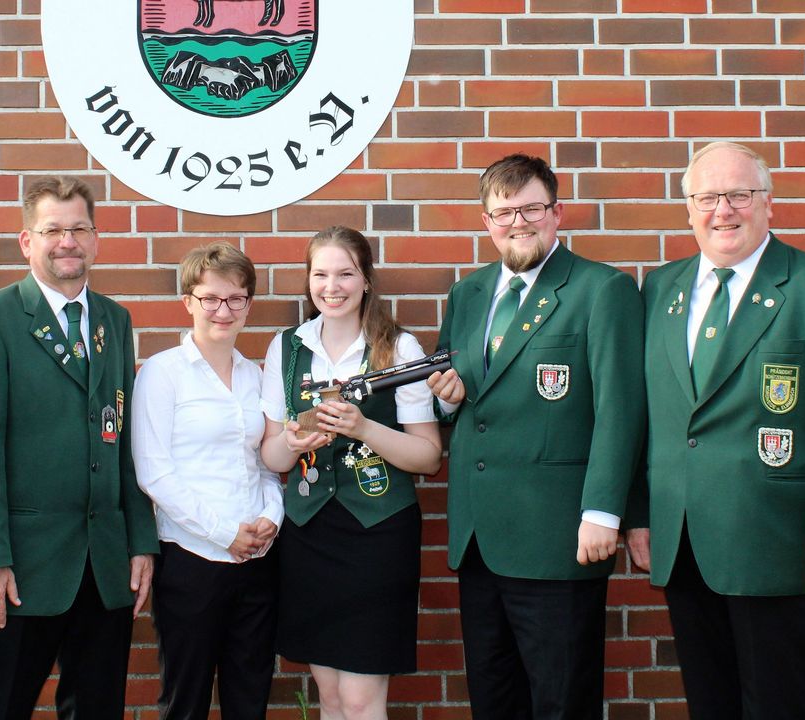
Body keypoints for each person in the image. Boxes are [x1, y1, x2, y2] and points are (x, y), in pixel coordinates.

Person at [625, 141, 805, 719]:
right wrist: (642, 514)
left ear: (767, 203)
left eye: (738, 195)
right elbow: (649, 415)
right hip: (685, 543)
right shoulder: (660, 291)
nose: (723, 210)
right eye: (707, 197)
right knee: (710, 706)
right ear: (688, 209)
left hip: (782, 546)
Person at [425, 153, 645, 720]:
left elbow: (621, 411)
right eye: (503, 213)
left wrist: (604, 512)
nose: (518, 223)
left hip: (558, 536)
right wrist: (445, 402)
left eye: (531, 209)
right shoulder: (467, 295)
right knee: (494, 700)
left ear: (558, 213)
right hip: (479, 538)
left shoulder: (602, 290)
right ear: (486, 222)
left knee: (561, 701)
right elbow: (463, 401)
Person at [0, 175, 159, 719]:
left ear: (95, 239)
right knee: (2, 707)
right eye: (52, 230)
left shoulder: (114, 320)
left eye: (78, 229)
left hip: (104, 562)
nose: (66, 241)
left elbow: (126, 441)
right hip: (22, 568)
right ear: (27, 241)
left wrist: (140, 542)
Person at [260, 226, 442, 720]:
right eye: (321, 274)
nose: (332, 286)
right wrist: (293, 440)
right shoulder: (287, 348)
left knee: (362, 700)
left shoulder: (399, 347)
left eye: (345, 273)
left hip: (378, 533)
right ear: (308, 280)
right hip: (310, 532)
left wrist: (363, 428)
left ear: (366, 281)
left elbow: (428, 457)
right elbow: (272, 458)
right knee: (333, 697)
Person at [132, 242, 283, 720]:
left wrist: (269, 519)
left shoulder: (255, 377)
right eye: (210, 298)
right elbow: (155, 472)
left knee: (249, 698)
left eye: (236, 298)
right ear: (188, 302)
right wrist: (225, 533)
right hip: (192, 561)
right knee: (186, 701)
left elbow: (264, 463)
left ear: (248, 305)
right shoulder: (162, 374)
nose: (224, 310)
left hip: (256, 559)